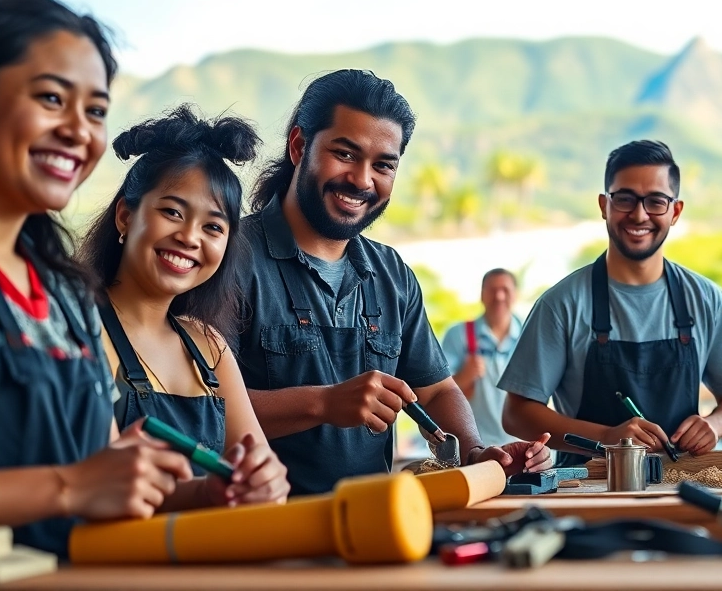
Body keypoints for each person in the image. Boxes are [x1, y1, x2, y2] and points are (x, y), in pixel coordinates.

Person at [234, 69, 549, 496]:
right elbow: (200, 406)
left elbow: (436, 391)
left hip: (372, 524)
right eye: (345, 154)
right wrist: (324, 403)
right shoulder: (229, 257)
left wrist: (475, 453)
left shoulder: (391, 274)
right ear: (299, 146)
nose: (363, 180)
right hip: (261, 531)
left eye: (383, 165)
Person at [0, 0, 192, 557]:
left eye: (97, 111)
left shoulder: (65, 294)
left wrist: (214, 490)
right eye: (53, 99)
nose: (80, 130)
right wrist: (70, 487)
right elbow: (79, 486)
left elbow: (101, 480)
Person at [77, 106, 289, 505]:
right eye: (172, 212)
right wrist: (207, 492)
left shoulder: (209, 345)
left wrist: (267, 481)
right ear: (126, 216)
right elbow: (99, 487)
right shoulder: (81, 330)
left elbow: (257, 465)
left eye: (213, 226)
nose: (190, 237)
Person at [500, 140, 722, 463]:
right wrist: (607, 437)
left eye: (655, 201)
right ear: (603, 205)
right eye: (624, 199)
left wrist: (714, 425)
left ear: (675, 211)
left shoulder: (707, 299)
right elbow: (516, 414)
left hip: (683, 488)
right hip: (588, 487)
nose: (639, 215)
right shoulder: (561, 303)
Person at [440, 268, 524, 447]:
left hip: (523, 444)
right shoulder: (458, 336)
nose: (499, 296)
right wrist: (464, 376)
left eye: (505, 290)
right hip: (477, 446)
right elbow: (436, 393)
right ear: (482, 294)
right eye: (492, 290)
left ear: (515, 295)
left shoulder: (530, 335)